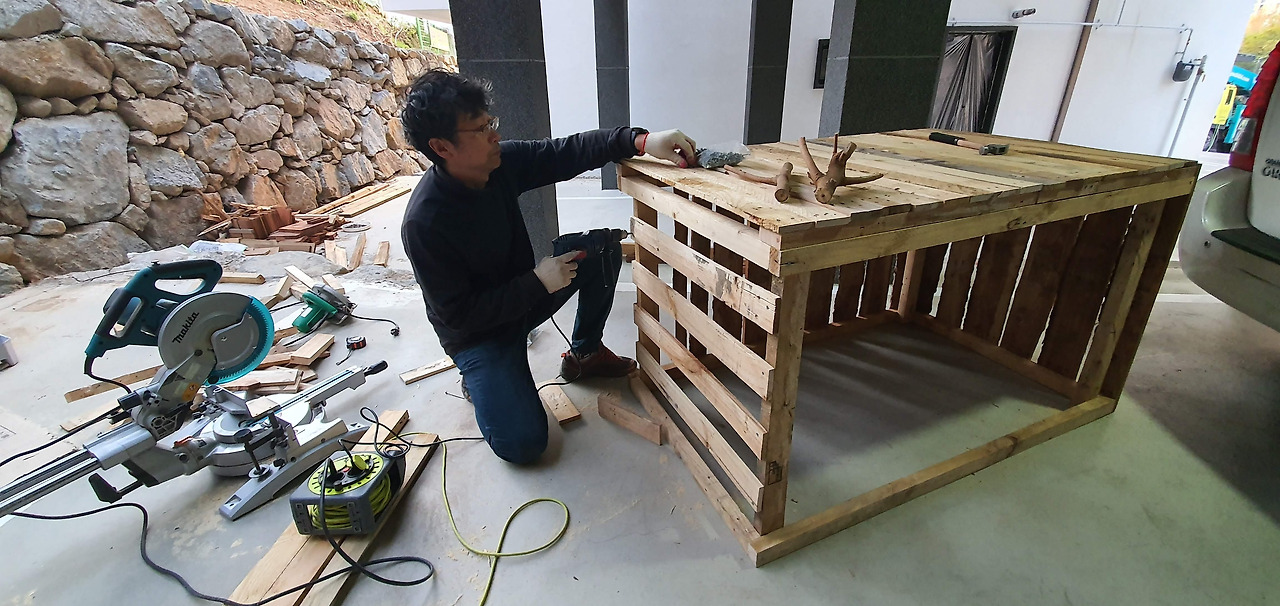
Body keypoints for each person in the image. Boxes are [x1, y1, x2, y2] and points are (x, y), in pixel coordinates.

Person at [400, 69, 697, 464]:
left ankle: (586, 354)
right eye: (481, 129)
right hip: (480, 336)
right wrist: (536, 284)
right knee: (523, 444)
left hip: (526, 296)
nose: (495, 136)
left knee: (602, 250)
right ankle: (481, 378)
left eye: (491, 123)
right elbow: (460, 317)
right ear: (442, 147)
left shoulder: (499, 164)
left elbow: (565, 151)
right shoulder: (424, 223)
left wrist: (639, 140)